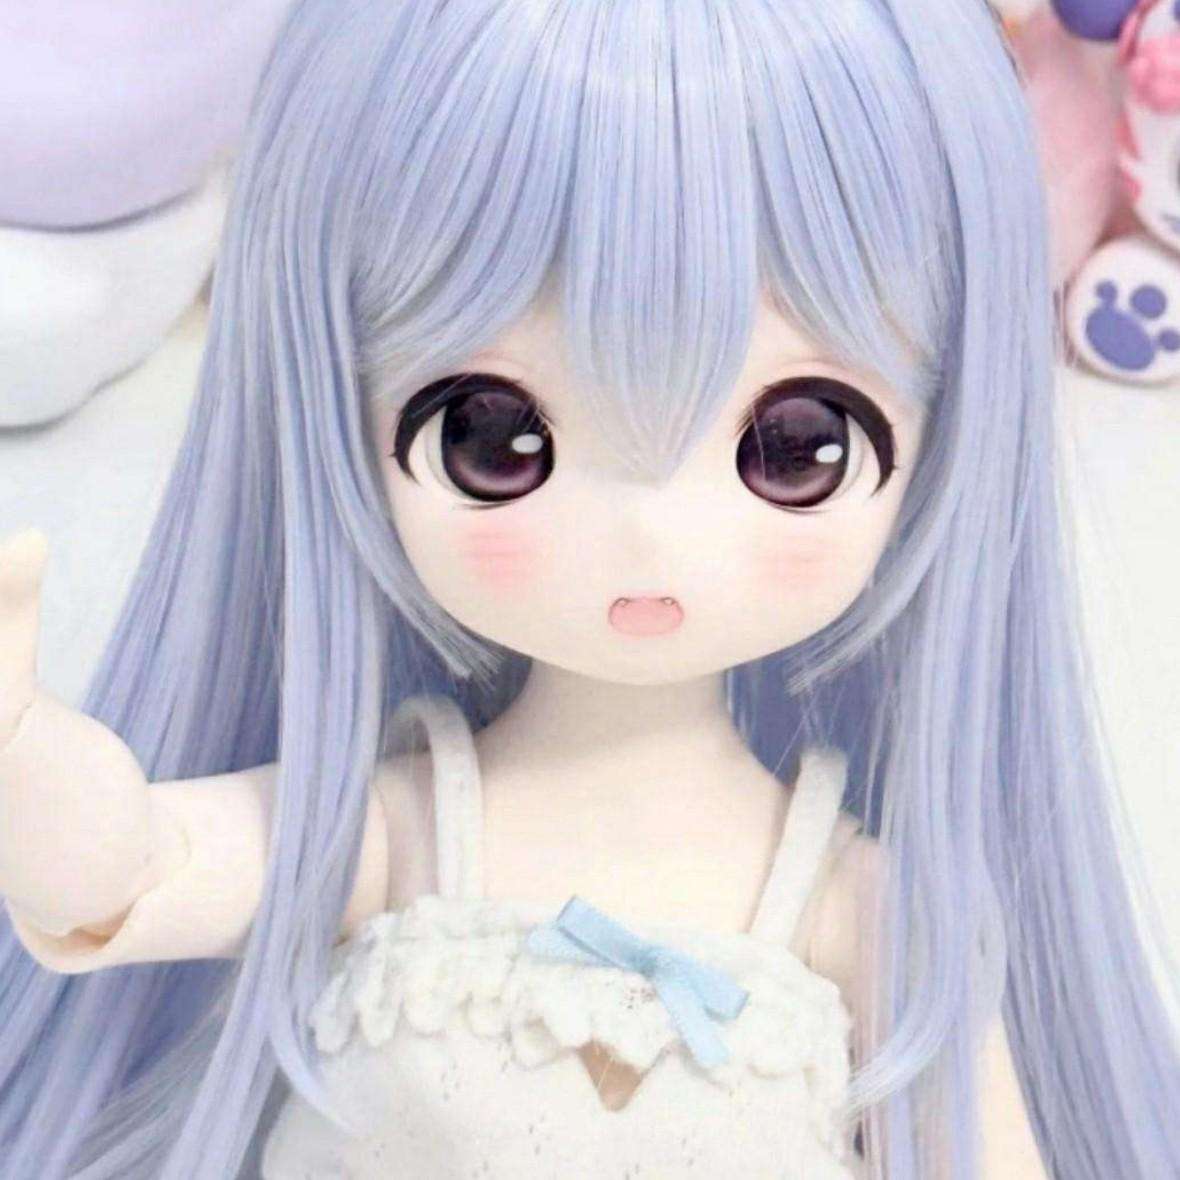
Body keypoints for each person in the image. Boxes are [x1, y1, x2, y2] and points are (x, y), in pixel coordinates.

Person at [1, 1, 1178, 1176]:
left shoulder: (853, 904)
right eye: (493, 437)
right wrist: (22, 739)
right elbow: (128, 870)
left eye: (797, 448)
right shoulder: (401, 832)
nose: (647, 535)